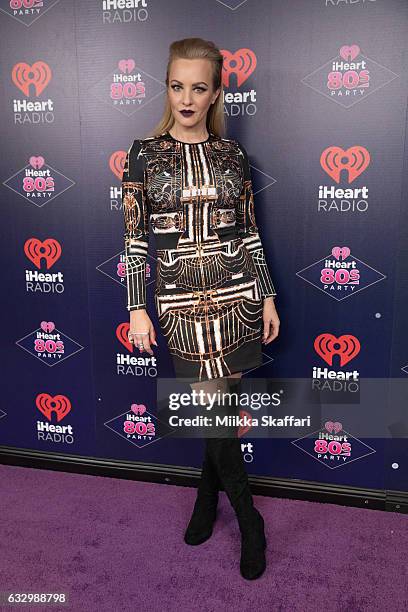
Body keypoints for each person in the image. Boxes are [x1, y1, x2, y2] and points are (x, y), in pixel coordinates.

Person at [121, 37, 280, 580]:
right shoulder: (142, 153)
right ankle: (249, 518)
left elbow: (251, 231)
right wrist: (136, 307)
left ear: (215, 93)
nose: (187, 98)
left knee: (216, 418)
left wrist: (267, 294)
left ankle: (205, 500)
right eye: (176, 86)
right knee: (213, 415)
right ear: (167, 88)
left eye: (199, 87)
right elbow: (135, 240)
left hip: (236, 296)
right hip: (180, 304)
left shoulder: (233, 156)